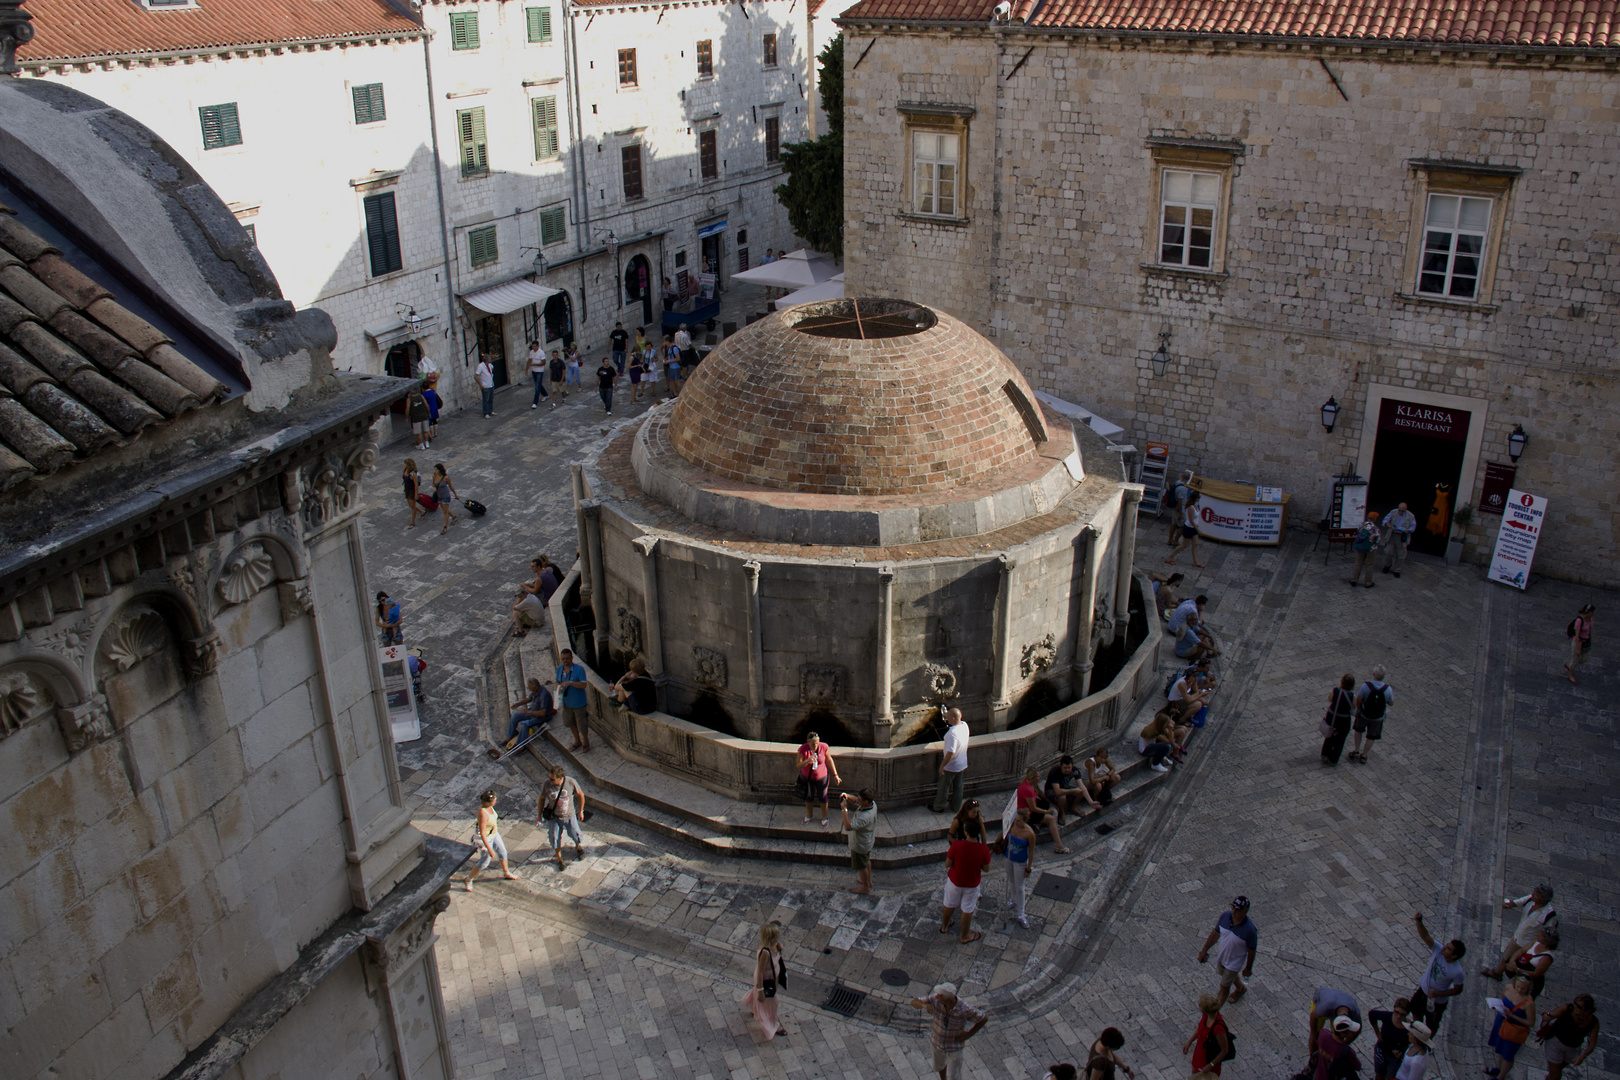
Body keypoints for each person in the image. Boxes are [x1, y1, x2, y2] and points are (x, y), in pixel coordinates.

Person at [910, 982, 987, 1080]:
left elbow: (983, 1019)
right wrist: (924, 1006)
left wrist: (968, 1034)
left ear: (946, 999)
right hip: (937, 1041)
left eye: (939, 996)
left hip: (955, 1045)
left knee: (954, 1075)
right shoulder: (935, 1000)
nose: (937, 996)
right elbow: (914, 1002)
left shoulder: (964, 1009)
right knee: (939, 1066)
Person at [1484, 885, 1557, 979]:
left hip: (1529, 944)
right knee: (1506, 957)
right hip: (1518, 936)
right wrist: (1508, 904)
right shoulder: (1531, 899)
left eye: (1537, 895)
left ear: (1544, 900)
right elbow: (1515, 903)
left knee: (1520, 964)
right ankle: (1498, 973)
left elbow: (1548, 934)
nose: (1533, 895)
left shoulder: (1549, 915)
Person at [1197, 896, 1257, 1008]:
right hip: (1222, 958)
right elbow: (1216, 933)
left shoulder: (1250, 931)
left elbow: (1252, 950)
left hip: (1234, 963)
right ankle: (1241, 988)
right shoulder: (1225, 917)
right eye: (1233, 908)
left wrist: (1248, 968)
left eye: (1237, 909)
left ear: (1245, 911)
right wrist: (1204, 950)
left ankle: (1213, 1014)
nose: (1234, 911)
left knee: (1224, 988)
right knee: (1223, 974)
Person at [1408, 912, 1466, 1028]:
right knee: (1415, 1012)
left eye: (1448, 948)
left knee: (1432, 1024)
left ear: (1455, 956)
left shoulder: (1457, 971)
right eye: (1447, 945)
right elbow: (1425, 936)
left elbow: (1457, 990)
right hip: (1423, 991)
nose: (1444, 947)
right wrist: (1419, 922)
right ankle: (1418, 1031)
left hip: (1437, 1001)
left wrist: (1439, 994)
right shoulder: (1438, 950)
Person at [940, 818, 992, 944]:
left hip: (955, 880)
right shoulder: (983, 850)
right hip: (971, 883)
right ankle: (964, 936)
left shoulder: (957, 845)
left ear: (966, 832)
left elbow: (947, 864)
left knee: (949, 902)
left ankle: (945, 926)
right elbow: (986, 869)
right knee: (967, 908)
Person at [740, 921, 787, 1041]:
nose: (779, 935)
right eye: (777, 934)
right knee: (772, 1003)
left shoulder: (773, 946)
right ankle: (772, 1025)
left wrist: (778, 947)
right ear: (771, 938)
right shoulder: (765, 953)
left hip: (771, 978)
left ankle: (754, 1008)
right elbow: (760, 972)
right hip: (765, 980)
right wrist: (761, 990)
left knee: (765, 1000)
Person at [1486, 975, 1537, 1079]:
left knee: (1508, 1054)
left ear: (1528, 988)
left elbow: (1531, 1022)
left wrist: (1512, 1015)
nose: (1520, 990)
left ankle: (1501, 1076)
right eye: (1518, 986)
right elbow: (1502, 998)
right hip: (1502, 1022)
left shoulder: (1529, 1003)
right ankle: (1499, 1068)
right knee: (1500, 1048)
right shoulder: (1508, 987)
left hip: (1514, 1030)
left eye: (1523, 988)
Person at [1538, 994, 1599, 1080]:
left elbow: (1592, 1044)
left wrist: (1583, 1055)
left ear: (1586, 1010)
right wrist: (1546, 1018)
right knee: (1556, 1076)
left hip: (1572, 1049)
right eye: (1575, 1004)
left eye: (1578, 1006)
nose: (1575, 1006)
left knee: (1556, 1072)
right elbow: (1551, 1015)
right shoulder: (1567, 1009)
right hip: (1555, 1043)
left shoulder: (1593, 1022)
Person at [463, 789, 516, 888]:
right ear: (488, 802)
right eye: (494, 800)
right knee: (484, 863)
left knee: (502, 852)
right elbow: (482, 833)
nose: (495, 801)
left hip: (494, 834)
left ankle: (506, 872)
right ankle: (468, 878)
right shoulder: (483, 813)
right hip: (487, 838)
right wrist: (490, 849)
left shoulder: (490, 807)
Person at [538, 765, 586, 869]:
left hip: (569, 816)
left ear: (560, 778)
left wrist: (580, 811)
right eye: (549, 778)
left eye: (552, 779)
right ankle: (559, 859)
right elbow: (541, 799)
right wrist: (539, 816)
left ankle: (578, 847)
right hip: (555, 817)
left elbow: (580, 795)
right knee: (554, 838)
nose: (550, 781)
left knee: (575, 834)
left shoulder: (570, 782)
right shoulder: (547, 785)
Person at [1017, 767, 1070, 852]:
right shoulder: (1027, 790)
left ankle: (1041, 824)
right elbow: (1033, 808)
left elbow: (1039, 794)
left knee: (1052, 806)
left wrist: (1048, 803)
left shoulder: (1031, 783)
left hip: (1031, 804)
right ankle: (1059, 846)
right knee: (1052, 819)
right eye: (1038, 776)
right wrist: (1047, 812)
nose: (1040, 778)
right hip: (1028, 813)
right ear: (1033, 778)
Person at [796, 731, 842, 827]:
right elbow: (798, 765)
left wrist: (835, 774)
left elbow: (829, 760)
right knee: (809, 797)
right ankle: (809, 815)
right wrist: (807, 760)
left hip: (822, 777)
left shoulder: (824, 747)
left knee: (823, 797)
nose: (815, 745)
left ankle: (824, 817)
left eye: (817, 743)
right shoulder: (803, 749)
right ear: (808, 742)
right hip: (807, 778)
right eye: (813, 744)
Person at [1349, 666, 1393, 764]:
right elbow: (1391, 703)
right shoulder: (1388, 689)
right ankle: (1364, 755)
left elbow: (1359, 699)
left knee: (1358, 730)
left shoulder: (1366, 686)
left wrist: (1359, 709)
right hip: (1378, 718)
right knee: (1371, 736)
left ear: (1373, 674)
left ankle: (1356, 750)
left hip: (1364, 714)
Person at [1183, 993, 1232, 1080]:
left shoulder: (1218, 1028)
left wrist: (1211, 1065)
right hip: (1200, 1053)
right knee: (1194, 1075)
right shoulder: (1206, 1016)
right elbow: (1200, 1028)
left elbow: (1225, 1050)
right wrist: (1190, 1041)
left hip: (1209, 1059)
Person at [931, 707, 969, 814]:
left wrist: (942, 766)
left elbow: (950, 753)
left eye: (947, 718)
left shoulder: (952, 734)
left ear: (952, 718)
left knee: (944, 787)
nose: (946, 719)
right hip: (962, 763)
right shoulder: (965, 726)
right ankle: (956, 807)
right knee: (958, 787)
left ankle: (938, 807)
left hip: (951, 766)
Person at [1003, 806, 1037, 928]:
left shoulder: (1029, 834)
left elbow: (1032, 852)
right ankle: (1013, 899)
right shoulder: (1012, 827)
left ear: (1025, 821)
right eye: (1015, 820)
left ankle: (1021, 913)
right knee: (1011, 881)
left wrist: (1028, 868)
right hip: (1008, 857)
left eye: (1019, 821)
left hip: (1020, 861)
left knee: (1020, 887)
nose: (1016, 823)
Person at [839, 789, 877, 895]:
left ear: (865, 801)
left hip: (860, 844)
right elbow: (855, 800)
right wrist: (846, 796)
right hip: (867, 841)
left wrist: (844, 809)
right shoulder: (872, 804)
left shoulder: (864, 817)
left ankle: (865, 888)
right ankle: (868, 881)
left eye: (860, 800)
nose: (857, 801)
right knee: (866, 860)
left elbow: (847, 826)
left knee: (861, 866)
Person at [502, 677, 554, 753]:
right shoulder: (535, 690)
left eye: (531, 689)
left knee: (525, 724)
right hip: (532, 711)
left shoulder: (544, 695)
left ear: (536, 687)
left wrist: (528, 712)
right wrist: (517, 704)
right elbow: (529, 699)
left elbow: (543, 712)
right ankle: (509, 736)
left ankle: (521, 747)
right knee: (515, 716)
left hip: (541, 717)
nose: (530, 691)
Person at [1309, 988, 1364, 1059]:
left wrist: (1342, 1046)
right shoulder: (1324, 1008)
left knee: (1338, 1038)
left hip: (1339, 1002)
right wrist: (1314, 1036)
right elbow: (1313, 1017)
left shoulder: (1354, 1012)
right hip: (1322, 1000)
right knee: (1314, 1036)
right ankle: (1312, 1062)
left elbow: (1358, 1030)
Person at [1367, 998, 1413, 1080]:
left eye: (1402, 1014)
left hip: (1394, 1058)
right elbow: (1372, 1014)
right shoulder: (1387, 1016)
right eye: (1396, 1012)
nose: (1398, 1016)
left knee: (1390, 1077)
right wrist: (1377, 1031)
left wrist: (1401, 1052)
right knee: (1379, 1073)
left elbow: (1409, 1044)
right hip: (1382, 1050)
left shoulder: (1409, 1028)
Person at [555, 647, 591, 752]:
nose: (565, 661)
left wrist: (571, 683)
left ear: (571, 658)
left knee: (582, 725)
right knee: (571, 723)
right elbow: (556, 681)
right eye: (563, 659)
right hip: (567, 703)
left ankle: (585, 742)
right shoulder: (560, 669)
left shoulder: (579, 669)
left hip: (579, 703)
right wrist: (558, 687)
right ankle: (577, 741)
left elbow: (583, 684)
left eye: (567, 658)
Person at [1505, 927, 1557, 998]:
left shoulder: (1547, 957)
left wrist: (1517, 970)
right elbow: (1522, 951)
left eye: (1541, 934)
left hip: (1530, 980)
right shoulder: (1536, 942)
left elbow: (1536, 974)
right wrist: (1512, 960)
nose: (1538, 934)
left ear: (1545, 940)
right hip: (1521, 972)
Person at [1046, 755, 1100, 821]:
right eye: (1065, 768)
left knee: (1081, 791)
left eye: (1069, 768)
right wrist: (1073, 790)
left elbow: (1082, 786)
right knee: (1062, 797)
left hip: (1065, 787)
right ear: (1061, 766)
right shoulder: (1055, 772)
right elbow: (1057, 791)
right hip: (1051, 791)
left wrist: (1091, 802)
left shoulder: (1075, 770)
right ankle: (1062, 812)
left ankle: (1073, 807)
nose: (1067, 770)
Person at [1168, 594, 1219, 661]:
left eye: (1195, 620)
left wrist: (1210, 636)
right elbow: (1200, 643)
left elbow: (1200, 630)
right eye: (1194, 620)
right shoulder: (1188, 630)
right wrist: (1212, 648)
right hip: (1181, 651)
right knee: (1201, 647)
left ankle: (1209, 652)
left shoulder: (1190, 623)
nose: (1195, 622)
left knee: (1203, 634)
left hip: (1172, 626)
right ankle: (1193, 660)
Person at [511, 556, 554, 636]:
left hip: (546, 598)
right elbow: (535, 585)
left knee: (516, 613)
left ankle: (520, 631)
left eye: (533, 567)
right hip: (551, 596)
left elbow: (535, 591)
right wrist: (528, 585)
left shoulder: (539, 578)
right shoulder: (546, 571)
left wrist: (524, 587)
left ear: (538, 566)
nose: (532, 568)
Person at [1321, 673, 1357, 766]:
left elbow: (1330, 699)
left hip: (1332, 718)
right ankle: (1333, 760)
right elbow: (1354, 707)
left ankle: (1325, 754)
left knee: (1329, 736)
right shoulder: (1352, 696)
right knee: (1340, 741)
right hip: (1343, 721)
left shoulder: (1335, 691)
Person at [1314, 1015, 1363, 1080]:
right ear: (1342, 1034)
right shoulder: (1347, 1051)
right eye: (1350, 1031)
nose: (1353, 1032)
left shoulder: (1323, 1033)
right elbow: (1358, 1067)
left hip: (1318, 1076)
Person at [1166, 490, 1206, 567]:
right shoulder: (1191, 508)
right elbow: (1191, 520)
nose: (1199, 498)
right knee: (1184, 545)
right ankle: (1170, 557)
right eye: (1199, 497)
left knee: (1195, 545)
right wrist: (1198, 530)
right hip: (1189, 528)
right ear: (1196, 498)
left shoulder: (1194, 506)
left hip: (1193, 528)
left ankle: (1196, 562)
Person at [1381, 502, 1416, 577]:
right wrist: (1388, 524)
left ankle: (1397, 570)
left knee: (1401, 554)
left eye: (1403, 511)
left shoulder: (1410, 516)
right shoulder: (1393, 512)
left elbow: (1413, 526)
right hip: (1392, 534)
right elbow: (1385, 520)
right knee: (1388, 551)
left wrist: (1408, 530)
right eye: (1400, 510)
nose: (1401, 512)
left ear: (1405, 510)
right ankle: (1387, 565)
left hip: (1402, 536)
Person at [1350, 511, 1383, 588]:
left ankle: (1354, 580)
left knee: (1358, 563)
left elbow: (1358, 532)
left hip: (1361, 547)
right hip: (1371, 549)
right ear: (1375, 519)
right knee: (1369, 565)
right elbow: (1377, 540)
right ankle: (1368, 582)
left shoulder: (1362, 525)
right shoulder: (1375, 528)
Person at [1563, 604, 1594, 684]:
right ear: (1588, 612)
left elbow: (1589, 631)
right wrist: (1578, 649)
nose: (1592, 614)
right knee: (1575, 660)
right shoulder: (1579, 620)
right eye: (1591, 612)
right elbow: (1577, 636)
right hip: (1578, 643)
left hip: (1585, 643)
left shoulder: (1590, 620)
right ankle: (1571, 675)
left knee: (1584, 659)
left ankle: (1569, 665)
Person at [1166, 470, 1194, 546]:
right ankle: (1175, 540)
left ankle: (1170, 540)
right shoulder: (1183, 489)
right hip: (1178, 509)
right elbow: (1180, 501)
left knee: (1174, 523)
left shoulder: (1176, 483)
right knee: (1183, 525)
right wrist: (1181, 513)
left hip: (1172, 506)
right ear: (1188, 479)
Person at [430, 463, 459, 535]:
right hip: (439, 495)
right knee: (444, 509)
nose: (435, 471)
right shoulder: (434, 476)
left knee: (445, 512)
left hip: (445, 495)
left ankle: (445, 527)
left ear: (440, 470)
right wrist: (433, 488)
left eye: (436, 469)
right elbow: (433, 484)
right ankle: (454, 517)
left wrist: (455, 494)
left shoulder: (446, 478)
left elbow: (451, 486)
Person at [406, 382, 431, 449]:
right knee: (425, 430)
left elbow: (407, 409)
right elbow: (427, 405)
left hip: (416, 417)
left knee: (418, 432)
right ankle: (427, 443)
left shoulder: (410, 399)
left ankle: (421, 444)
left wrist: (406, 417)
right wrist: (428, 413)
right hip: (424, 415)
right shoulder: (421, 396)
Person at [402, 458, 424, 529]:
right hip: (407, 489)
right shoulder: (405, 471)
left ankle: (412, 522)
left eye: (404, 463)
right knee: (411, 505)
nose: (403, 464)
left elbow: (416, 484)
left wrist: (416, 494)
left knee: (413, 506)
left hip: (412, 491)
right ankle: (422, 511)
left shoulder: (413, 474)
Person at [527, 340, 550, 408]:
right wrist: (526, 369)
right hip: (534, 371)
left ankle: (535, 402)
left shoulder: (541, 353)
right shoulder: (531, 352)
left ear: (537, 346)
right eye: (532, 346)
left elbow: (544, 362)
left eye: (534, 346)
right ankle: (545, 395)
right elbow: (529, 360)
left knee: (537, 387)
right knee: (538, 384)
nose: (533, 348)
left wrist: (535, 364)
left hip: (540, 371)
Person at [422, 374, 441, 442]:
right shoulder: (432, 391)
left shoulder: (424, 395)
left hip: (429, 409)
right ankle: (435, 433)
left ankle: (432, 434)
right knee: (435, 420)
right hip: (435, 407)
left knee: (430, 422)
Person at [664, 333, 682, 398]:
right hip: (671, 367)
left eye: (665, 341)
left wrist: (668, 361)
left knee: (676, 381)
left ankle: (682, 392)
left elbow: (678, 358)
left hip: (675, 367)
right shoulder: (669, 348)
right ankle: (675, 393)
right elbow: (670, 356)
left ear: (668, 341)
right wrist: (666, 359)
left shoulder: (674, 348)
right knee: (672, 380)